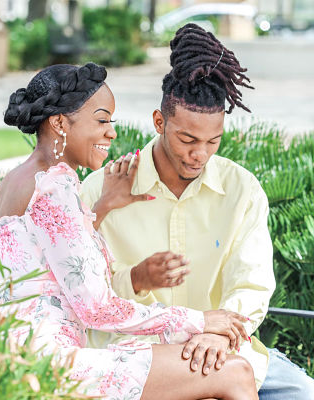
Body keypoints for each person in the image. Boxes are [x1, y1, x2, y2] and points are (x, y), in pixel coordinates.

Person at [0, 62, 259, 400]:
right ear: (59, 123)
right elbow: (97, 308)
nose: (111, 132)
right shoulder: (54, 185)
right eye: (101, 120)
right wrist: (200, 321)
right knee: (235, 373)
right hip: (51, 366)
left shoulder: (19, 179)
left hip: (20, 354)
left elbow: (50, 257)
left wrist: (103, 206)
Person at [80, 24, 314, 399]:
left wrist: (217, 334)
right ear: (160, 122)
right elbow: (85, 290)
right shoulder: (102, 190)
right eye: (187, 139)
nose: (199, 154)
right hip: (136, 356)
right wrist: (136, 279)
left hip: (223, 350)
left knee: (303, 392)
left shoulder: (242, 191)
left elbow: (251, 284)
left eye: (213, 141)